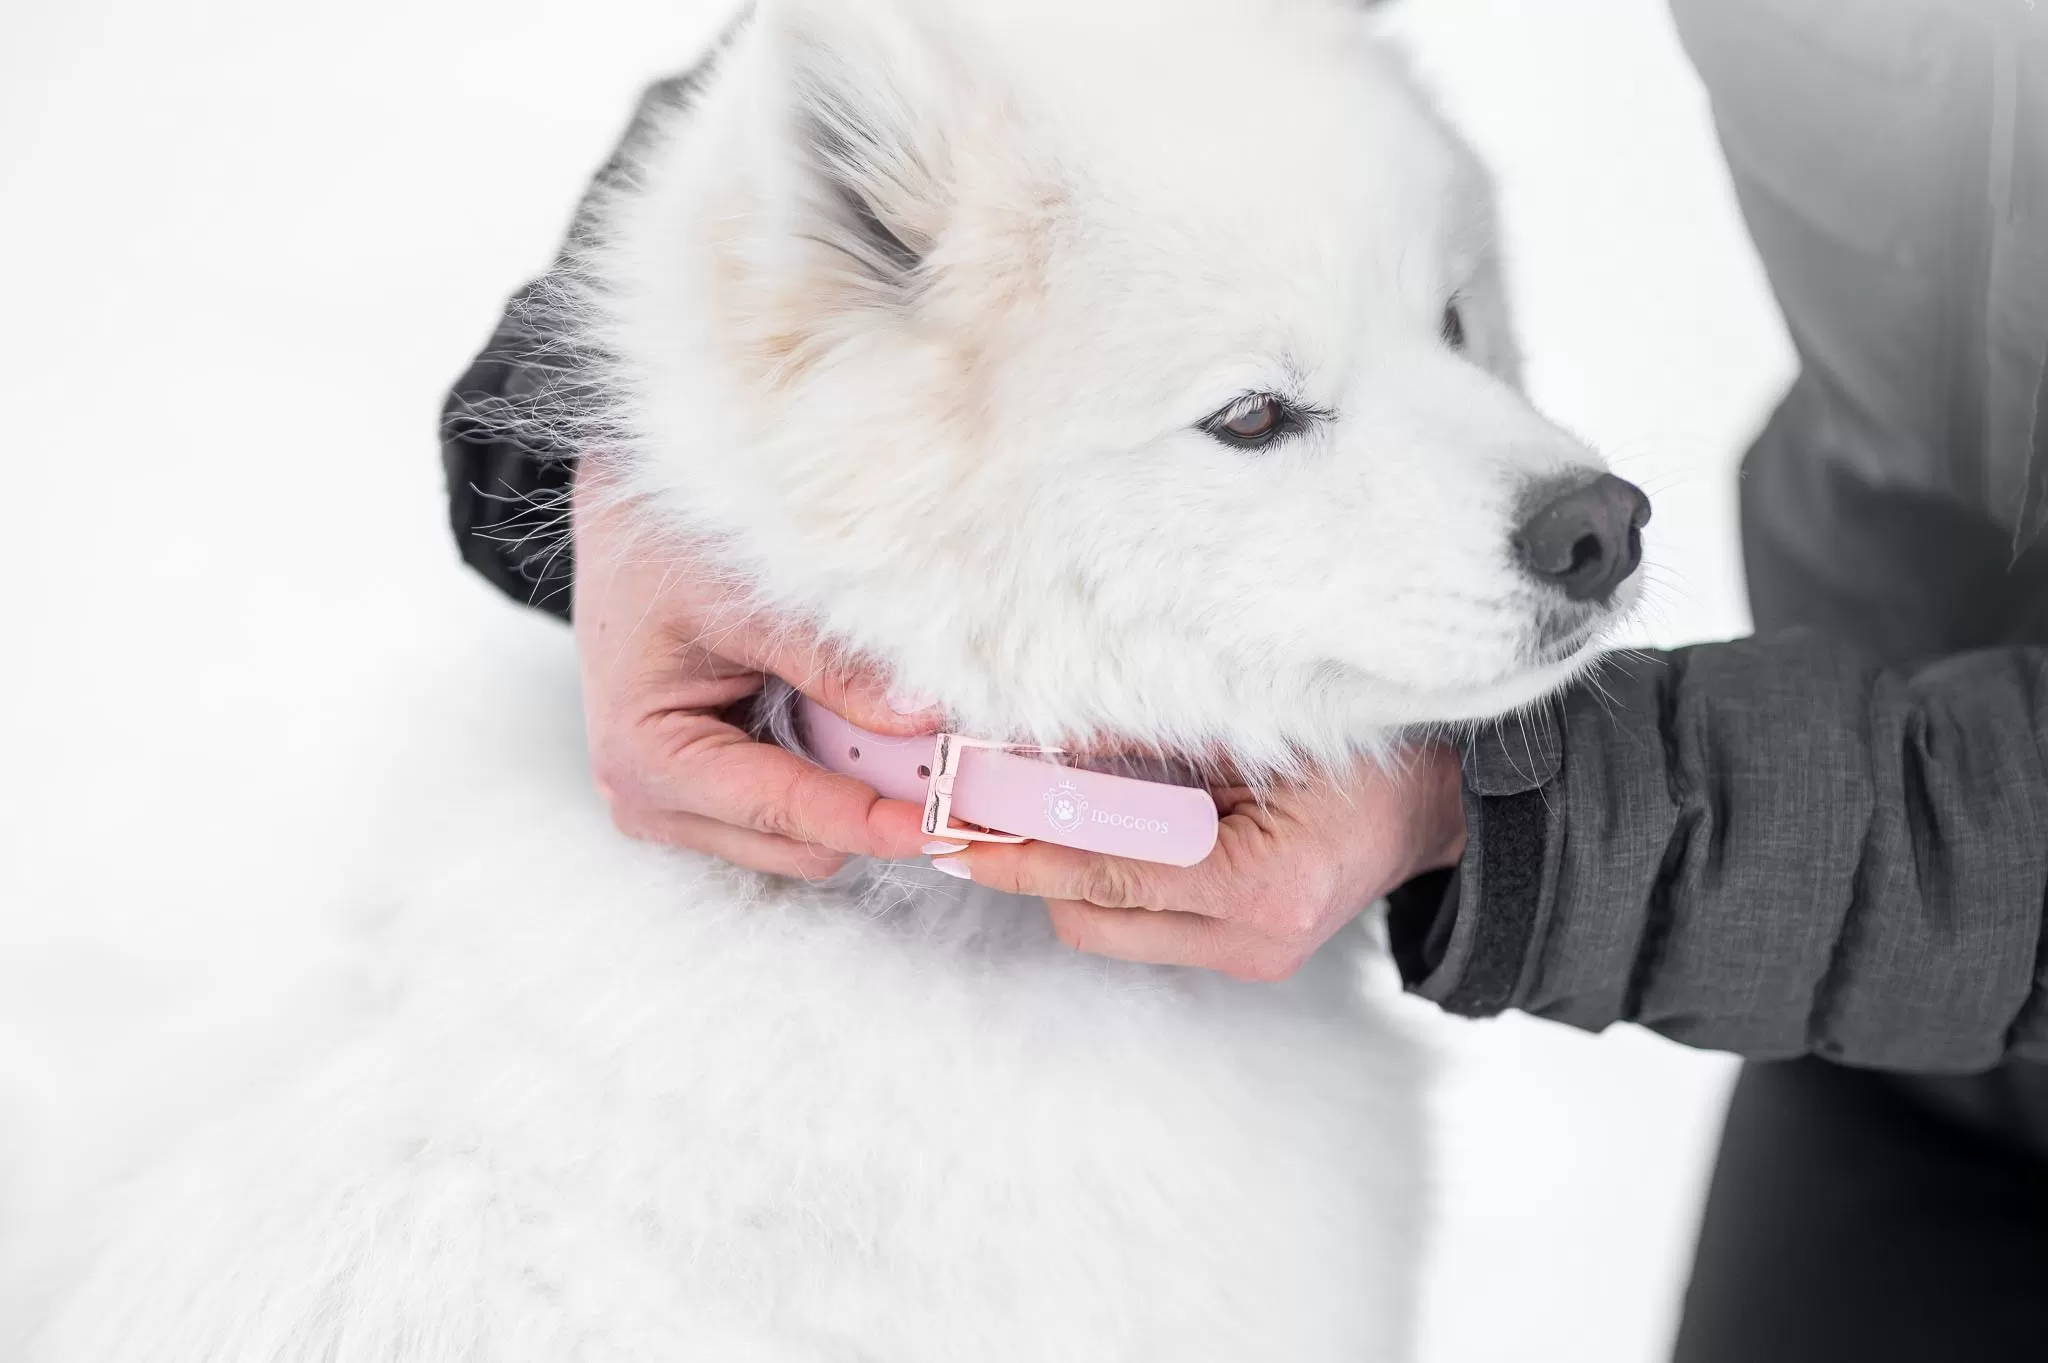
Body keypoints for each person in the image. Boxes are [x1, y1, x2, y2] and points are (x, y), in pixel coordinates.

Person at [442, 3, 2048, 1358]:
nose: (1562, 479)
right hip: (1896, 1005)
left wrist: (1533, 820)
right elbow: (911, 58)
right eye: (1263, 413)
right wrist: (650, 414)